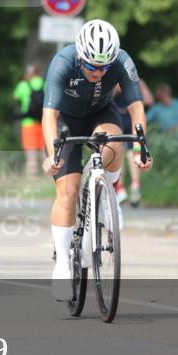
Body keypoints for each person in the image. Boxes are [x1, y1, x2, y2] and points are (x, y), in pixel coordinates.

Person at [41, 19, 154, 301]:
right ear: (80, 55)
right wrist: (52, 154)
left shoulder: (122, 61)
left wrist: (141, 147)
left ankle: (109, 194)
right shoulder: (63, 62)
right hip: (66, 122)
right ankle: (64, 263)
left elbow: (136, 108)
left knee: (114, 141)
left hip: (101, 115)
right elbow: (49, 116)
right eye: (91, 66)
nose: (98, 72)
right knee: (67, 192)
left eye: (104, 67)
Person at [113, 78, 153, 207]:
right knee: (119, 151)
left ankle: (134, 187)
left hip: (130, 117)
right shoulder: (113, 79)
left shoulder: (135, 81)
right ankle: (121, 188)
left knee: (132, 152)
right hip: (118, 116)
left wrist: (140, 86)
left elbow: (149, 101)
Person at [13, 64, 46, 178]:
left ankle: (32, 177)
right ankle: (48, 177)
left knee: (31, 152)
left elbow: (16, 97)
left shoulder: (23, 84)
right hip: (43, 122)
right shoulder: (44, 82)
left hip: (28, 122)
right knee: (44, 150)